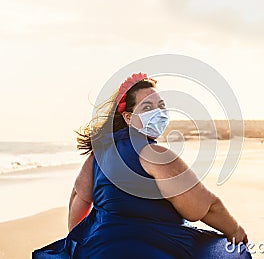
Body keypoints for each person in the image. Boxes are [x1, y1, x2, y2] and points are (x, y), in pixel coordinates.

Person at [33, 73, 252, 258]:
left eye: (161, 106)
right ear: (128, 117)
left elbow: (79, 197)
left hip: (98, 249)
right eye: (147, 107)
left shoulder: (99, 154)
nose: (158, 112)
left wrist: (77, 243)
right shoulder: (154, 155)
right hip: (147, 248)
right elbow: (203, 207)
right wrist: (235, 230)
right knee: (232, 253)